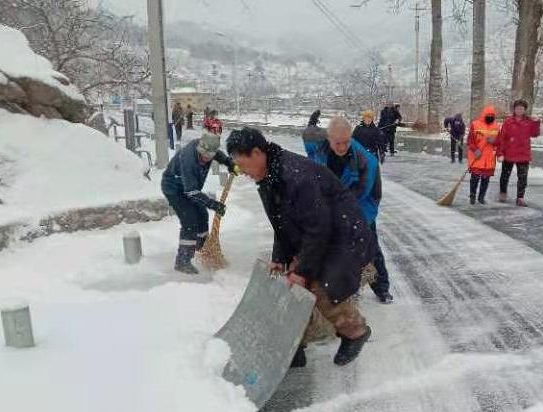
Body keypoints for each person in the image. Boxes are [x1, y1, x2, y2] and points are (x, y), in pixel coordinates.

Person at [226, 127, 374, 367]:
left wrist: (302, 271)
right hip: (319, 233)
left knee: (321, 288)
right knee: (288, 284)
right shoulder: (268, 176)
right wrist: (280, 258)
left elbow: (319, 228)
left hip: (344, 236)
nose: (241, 172)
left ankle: (355, 333)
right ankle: (295, 345)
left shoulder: (296, 176)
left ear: (256, 153)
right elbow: (282, 224)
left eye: (242, 165)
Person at [312, 117, 392, 304]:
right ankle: (346, 286)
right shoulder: (320, 155)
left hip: (363, 207)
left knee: (369, 248)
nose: (342, 147)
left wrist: (345, 218)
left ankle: (382, 287)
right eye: (337, 143)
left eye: (346, 142)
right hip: (334, 206)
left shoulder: (367, 162)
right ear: (329, 139)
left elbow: (362, 194)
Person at [160, 132, 236, 274]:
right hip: (174, 189)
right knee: (190, 221)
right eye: (203, 155)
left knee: (202, 214)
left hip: (189, 189)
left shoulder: (207, 147)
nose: (205, 159)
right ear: (199, 149)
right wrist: (213, 204)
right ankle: (183, 261)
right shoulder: (189, 160)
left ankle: (202, 248)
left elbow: (217, 154)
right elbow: (191, 192)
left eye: (208, 157)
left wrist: (229, 163)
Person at [497, 99, 540, 207]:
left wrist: (536, 122)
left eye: (521, 108)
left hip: (523, 153)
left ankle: (520, 197)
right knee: (505, 175)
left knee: (523, 178)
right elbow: (501, 138)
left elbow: (535, 134)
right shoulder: (508, 121)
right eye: (517, 108)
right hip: (509, 152)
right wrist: (500, 153)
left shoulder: (529, 121)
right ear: (514, 109)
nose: (519, 110)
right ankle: (503, 192)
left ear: (525, 110)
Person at [467, 105, 501, 205]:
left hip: (489, 158)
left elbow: (500, 142)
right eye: (488, 115)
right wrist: (475, 150)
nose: (490, 116)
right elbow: (470, 141)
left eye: (492, 115)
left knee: (485, 179)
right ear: (484, 115)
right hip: (477, 156)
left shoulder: (496, 126)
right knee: (475, 178)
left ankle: (481, 197)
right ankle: (472, 196)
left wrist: (494, 141)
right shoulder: (475, 124)